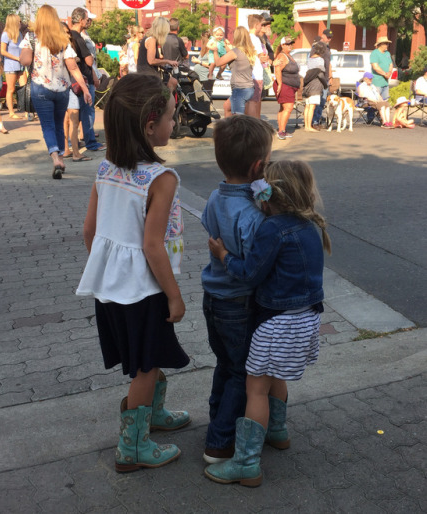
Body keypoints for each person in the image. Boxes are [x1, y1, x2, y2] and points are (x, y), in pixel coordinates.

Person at [76, 74, 190, 472]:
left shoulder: (106, 169)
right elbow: (152, 244)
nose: (173, 124)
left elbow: (89, 231)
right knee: (144, 368)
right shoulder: (162, 179)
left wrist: (109, 273)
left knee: (149, 355)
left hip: (111, 290)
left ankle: (152, 416)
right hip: (146, 291)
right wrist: (174, 295)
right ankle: (133, 447)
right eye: (171, 117)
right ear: (149, 125)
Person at [205, 160, 331, 487]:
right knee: (276, 378)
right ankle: (278, 432)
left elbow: (249, 272)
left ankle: (246, 464)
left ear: (267, 193)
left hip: (276, 324)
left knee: (255, 388)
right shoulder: (309, 226)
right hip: (306, 321)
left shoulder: (272, 229)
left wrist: (222, 255)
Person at [201, 115, 275, 464]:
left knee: (225, 364)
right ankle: (219, 442)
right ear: (258, 166)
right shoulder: (251, 215)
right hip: (237, 303)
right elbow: (251, 268)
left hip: (212, 299)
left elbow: (208, 227)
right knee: (241, 372)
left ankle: (217, 421)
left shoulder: (216, 196)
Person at [19, 5, 92, 179]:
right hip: (62, 90)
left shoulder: (31, 38)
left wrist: (25, 55)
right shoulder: (62, 40)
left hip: (40, 87)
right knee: (59, 124)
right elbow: (73, 67)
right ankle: (61, 157)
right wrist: (84, 88)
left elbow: (25, 60)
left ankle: (55, 158)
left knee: (48, 125)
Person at [70, 8, 105, 154]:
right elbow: (89, 61)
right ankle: (91, 143)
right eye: (86, 18)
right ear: (80, 20)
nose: (87, 21)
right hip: (83, 78)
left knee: (73, 114)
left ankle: (71, 143)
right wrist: (89, 57)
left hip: (74, 79)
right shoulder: (78, 37)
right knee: (88, 112)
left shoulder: (70, 36)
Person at [61, 22, 92, 162]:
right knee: (73, 119)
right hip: (70, 87)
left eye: (68, 32)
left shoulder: (53, 47)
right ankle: (76, 153)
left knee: (66, 120)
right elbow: (73, 67)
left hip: (62, 87)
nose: (68, 34)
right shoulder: (66, 48)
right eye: (65, 32)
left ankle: (66, 149)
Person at [209, 26, 257, 115]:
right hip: (248, 87)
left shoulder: (236, 51)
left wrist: (215, 51)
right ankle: (227, 128)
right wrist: (225, 45)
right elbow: (230, 53)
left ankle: (235, 128)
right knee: (227, 106)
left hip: (240, 88)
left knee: (237, 117)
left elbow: (219, 62)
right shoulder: (248, 51)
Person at [137, 17, 179, 90]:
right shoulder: (151, 40)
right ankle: (166, 100)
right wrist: (168, 61)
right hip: (148, 75)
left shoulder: (150, 38)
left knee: (173, 82)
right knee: (172, 83)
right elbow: (151, 61)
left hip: (147, 73)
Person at [273, 36, 300, 140]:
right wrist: (280, 83)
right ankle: (281, 132)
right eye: (287, 44)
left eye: (291, 43)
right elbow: (277, 70)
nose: (290, 46)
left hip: (289, 86)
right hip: (285, 86)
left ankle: (281, 129)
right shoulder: (282, 56)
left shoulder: (288, 55)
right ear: (282, 45)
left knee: (283, 108)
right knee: (288, 108)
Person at [1, 14, 23, 119]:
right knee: (11, 89)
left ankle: (27, 110)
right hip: (10, 65)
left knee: (24, 88)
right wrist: (16, 58)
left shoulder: (20, 35)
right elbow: (2, 51)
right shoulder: (5, 35)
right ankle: (11, 112)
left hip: (21, 65)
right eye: (19, 21)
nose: (20, 23)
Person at [244, 14, 266, 118]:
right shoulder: (255, 39)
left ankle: (246, 125)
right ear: (257, 25)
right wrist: (270, 60)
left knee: (247, 101)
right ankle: (252, 126)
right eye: (261, 25)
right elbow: (262, 57)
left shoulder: (245, 37)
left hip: (247, 74)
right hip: (256, 75)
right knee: (254, 102)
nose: (262, 28)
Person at [311, 29, 333, 129]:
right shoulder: (317, 46)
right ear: (322, 35)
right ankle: (314, 121)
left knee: (322, 101)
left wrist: (331, 76)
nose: (329, 39)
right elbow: (312, 59)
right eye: (327, 37)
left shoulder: (328, 47)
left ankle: (318, 119)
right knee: (317, 100)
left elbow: (329, 63)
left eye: (330, 37)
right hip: (318, 77)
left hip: (326, 78)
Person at [303, 42, 327, 132]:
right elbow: (320, 74)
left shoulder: (310, 59)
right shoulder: (320, 60)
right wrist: (325, 85)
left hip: (308, 84)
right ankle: (309, 127)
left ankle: (306, 126)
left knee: (307, 106)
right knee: (312, 107)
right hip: (316, 85)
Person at [370, 36, 393, 101]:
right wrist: (385, 74)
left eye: (387, 44)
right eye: (386, 44)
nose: (387, 45)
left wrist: (389, 72)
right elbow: (375, 67)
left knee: (385, 101)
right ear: (381, 44)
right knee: (376, 101)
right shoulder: (375, 53)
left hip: (385, 82)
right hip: (377, 82)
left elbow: (391, 64)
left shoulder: (387, 53)